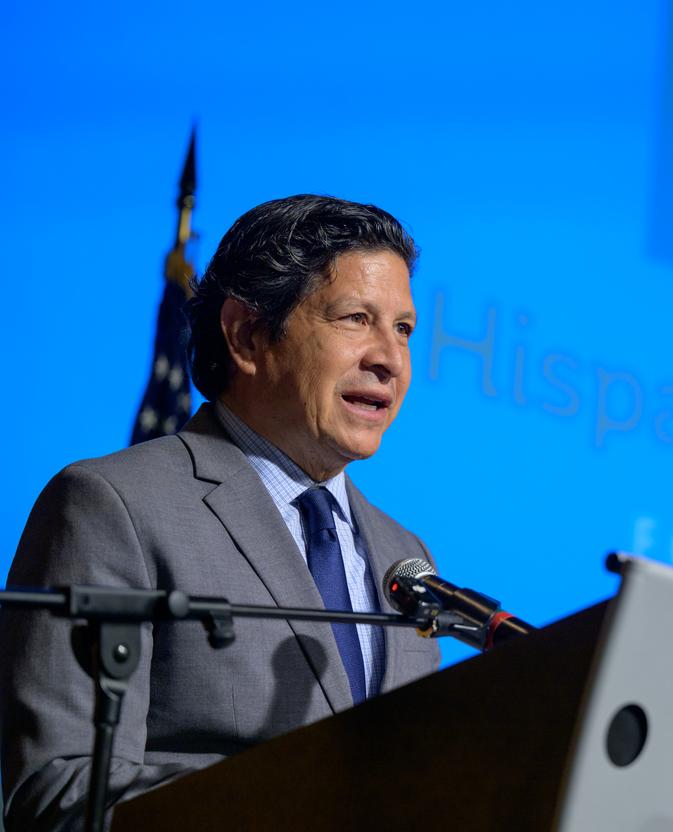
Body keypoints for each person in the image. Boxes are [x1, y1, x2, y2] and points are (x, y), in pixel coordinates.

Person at [0, 195, 440, 830]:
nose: (390, 360)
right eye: (355, 319)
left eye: (402, 329)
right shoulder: (112, 505)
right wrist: (308, 798)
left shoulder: (409, 560)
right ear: (247, 335)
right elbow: (60, 794)